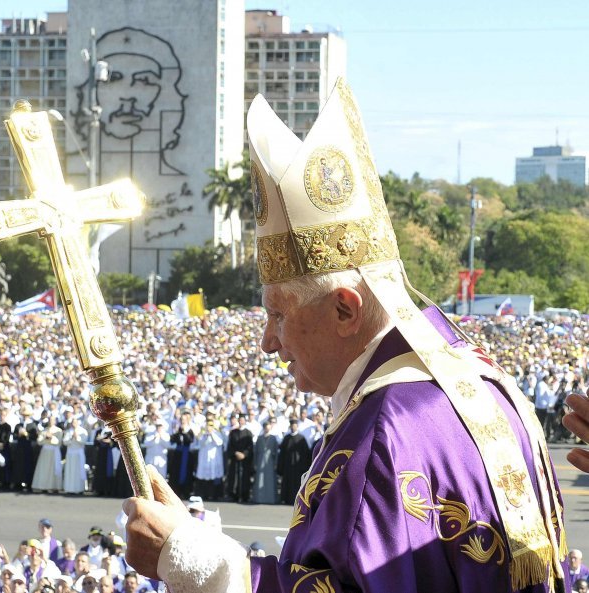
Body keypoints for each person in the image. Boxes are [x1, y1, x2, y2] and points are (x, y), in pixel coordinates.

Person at [121, 78, 566, 592]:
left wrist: (189, 557)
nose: (268, 341)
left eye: (278, 315)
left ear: (345, 308)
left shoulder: (385, 430)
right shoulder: (485, 379)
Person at [274, 418, 310, 505]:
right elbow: (282, 454)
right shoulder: (286, 438)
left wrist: (304, 467)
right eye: (292, 426)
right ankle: (285, 499)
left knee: (296, 483)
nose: (293, 427)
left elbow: (306, 454)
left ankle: (296, 500)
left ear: (297, 426)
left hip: (298, 466)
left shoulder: (302, 439)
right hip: (287, 466)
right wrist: (280, 466)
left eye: (295, 425)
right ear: (290, 426)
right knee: (287, 482)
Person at [224, 413, 254, 503]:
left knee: (244, 477)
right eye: (240, 420)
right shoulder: (233, 432)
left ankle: (245, 495)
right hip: (235, 458)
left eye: (243, 420)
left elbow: (250, 447)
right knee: (234, 477)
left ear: (245, 421)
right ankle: (234, 495)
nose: (241, 422)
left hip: (245, 460)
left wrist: (244, 454)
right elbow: (230, 446)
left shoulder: (248, 433)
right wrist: (236, 453)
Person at [250, 421, 279, 504]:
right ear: (263, 428)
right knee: (260, 480)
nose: (267, 429)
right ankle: (259, 499)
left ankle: (271, 499)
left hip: (270, 462)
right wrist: (255, 463)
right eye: (265, 427)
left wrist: (276, 463)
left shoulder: (273, 438)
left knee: (270, 480)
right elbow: (255, 452)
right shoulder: (259, 438)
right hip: (260, 461)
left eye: (268, 427)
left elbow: (276, 452)